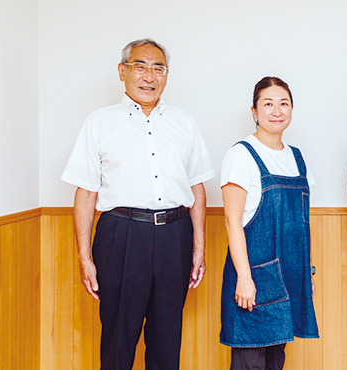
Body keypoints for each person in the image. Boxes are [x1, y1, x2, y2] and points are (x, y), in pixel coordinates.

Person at [61, 38, 215, 370]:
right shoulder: (99, 123)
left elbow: (197, 189)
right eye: (140, 66)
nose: (149, 76)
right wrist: (84, 256)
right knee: (118, 338)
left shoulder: (183, 122)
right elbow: (86, 193)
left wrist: (198, 247)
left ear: (167, 75)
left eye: (158, 68)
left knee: (167, 338)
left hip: (175, 235)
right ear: (122, 72)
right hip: (121, 236)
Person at [219, 76, 319, 370]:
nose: (277, 111)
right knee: (250, 360)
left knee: (276, 360)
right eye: (268, 104)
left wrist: (308, 271)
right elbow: (231, 221)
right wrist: (245, 278)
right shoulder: (241, 155)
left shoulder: (297, 158)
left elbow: (302, 225)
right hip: (255, 278)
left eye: (284, 103)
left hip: (288, 276)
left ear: (291, 109)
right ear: (254, 111)